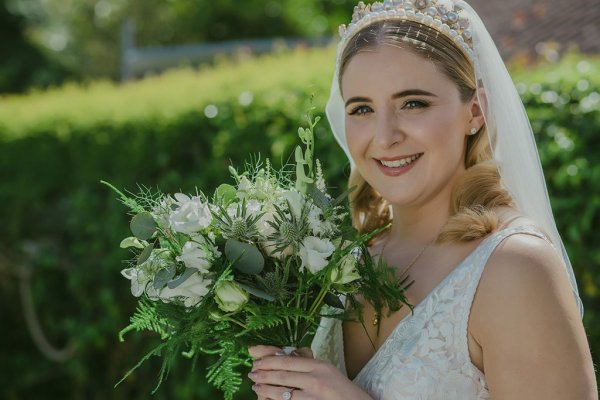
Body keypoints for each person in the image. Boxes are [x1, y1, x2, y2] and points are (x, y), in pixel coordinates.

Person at [247, 0, 598, 398]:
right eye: (361, 108)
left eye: (413, 103)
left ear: (475, 111)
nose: (384, 137)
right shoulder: (353, 259)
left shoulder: (514, 267)